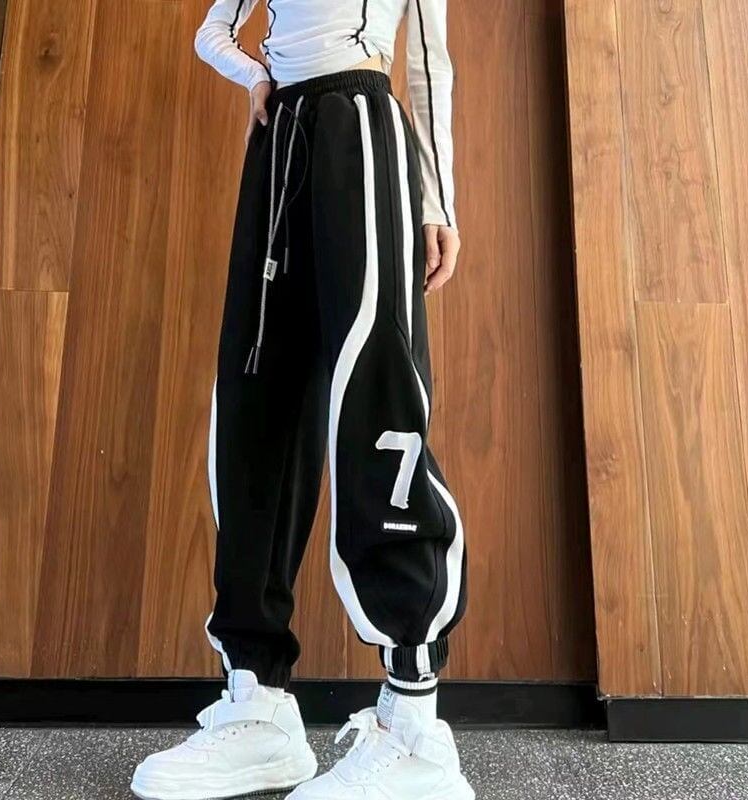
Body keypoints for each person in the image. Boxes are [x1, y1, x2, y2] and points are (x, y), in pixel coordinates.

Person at [130, 1, 469, 798]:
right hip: (280, 141)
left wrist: (435, 203)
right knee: (257, 400)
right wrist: (256, 76)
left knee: (375, 394)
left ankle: (415, 726)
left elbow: (428, 60)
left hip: (364, 130)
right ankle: (259, 703)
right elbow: (213, 33)